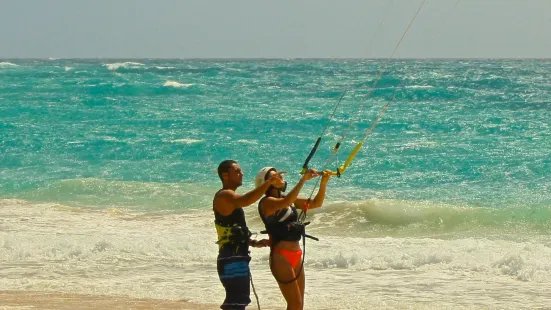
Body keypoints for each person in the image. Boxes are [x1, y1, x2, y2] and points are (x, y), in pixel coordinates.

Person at [255, 167, 331, 310]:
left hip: (296, 255)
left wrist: (323, 183)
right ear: (267, 183)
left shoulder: (287, 199)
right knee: (294, 304)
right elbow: (285, 202)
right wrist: (303, 179)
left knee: (299, 304)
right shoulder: (267, 202)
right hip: (280, 257)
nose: (279, 176)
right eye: (274, 176)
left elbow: (316, 203)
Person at [213, 159, 282, 310]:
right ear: (225, 176)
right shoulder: (224, 196)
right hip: (230, 259)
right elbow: (246, 200)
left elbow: (231, 231)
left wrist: (253, 243)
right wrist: (268, 183)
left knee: (239, 302)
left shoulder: (230, 197)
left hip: (236, 256)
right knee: (236, 303)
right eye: (237, 171)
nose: (241, 173)